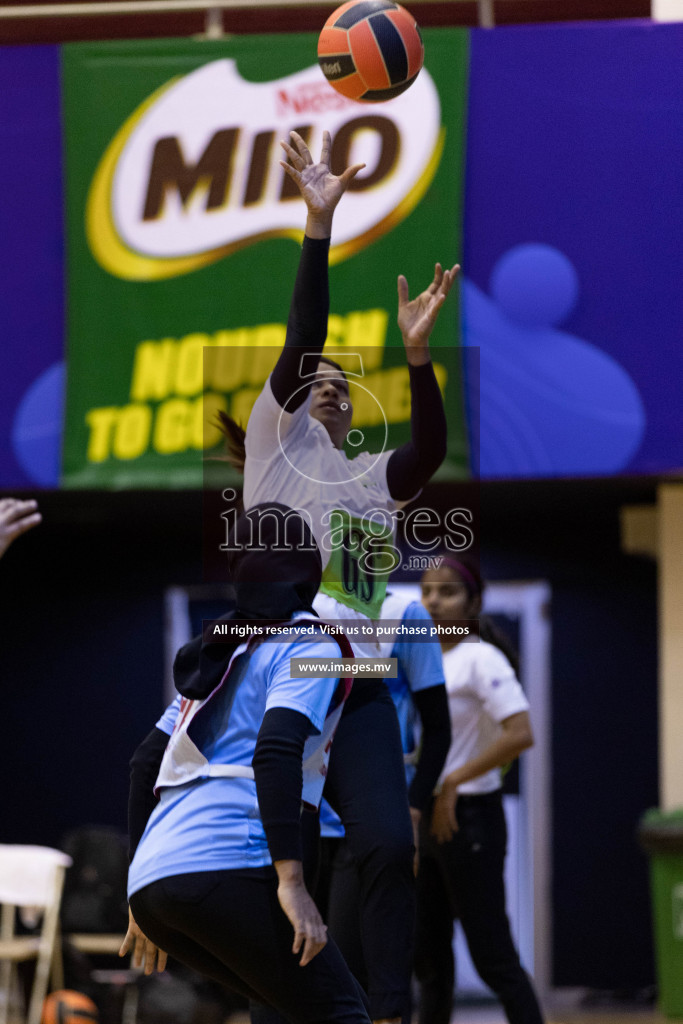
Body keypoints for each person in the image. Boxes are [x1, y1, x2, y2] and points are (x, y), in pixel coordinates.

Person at [218, 128, 459, 1024]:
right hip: (279, 676)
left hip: (345, 687)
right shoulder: (272, 455)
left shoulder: (365, 487)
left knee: (387, 844)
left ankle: (386, 1010)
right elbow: (302, 334)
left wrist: (419, 358)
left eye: (334, 379)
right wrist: (317, 226)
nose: (323, 381)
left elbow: (429, 451)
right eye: (310, 377)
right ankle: (283, 1000)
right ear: (288, 400)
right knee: (285, 863)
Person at [121, 504, 372, 1024]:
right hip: (226, 860)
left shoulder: (218, 660)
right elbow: (275, 750)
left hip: (152, 880)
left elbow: (145, 764)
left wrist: (138, 887)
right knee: (344, 1012)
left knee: (294, 1010)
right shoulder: (310, 641)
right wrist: (292, 882)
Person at [415, 556, 546, 1024]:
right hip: (426, 818)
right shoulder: (421, 656)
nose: (433, 601)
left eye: (446, 592)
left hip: (470, 817)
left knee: (493, 957)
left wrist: (452, 779)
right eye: (427, 590)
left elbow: (521, 733)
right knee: (429, 962)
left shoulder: (480, 657)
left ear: (472, 602)